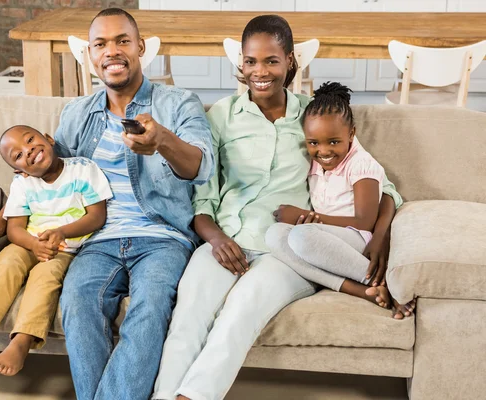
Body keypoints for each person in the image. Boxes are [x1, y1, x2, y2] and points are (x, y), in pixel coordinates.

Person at [0, 8, 213, 400]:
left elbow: (202, 166)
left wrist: (162, 140)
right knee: (77, 303)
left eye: (122, 41)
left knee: (150, 307)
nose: (112, 51)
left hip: (163, 236)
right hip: (95, 239)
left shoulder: (178, 103)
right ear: (90, 56)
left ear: (140, 47)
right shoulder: (77, 114)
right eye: (101, 44)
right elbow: (46, 177)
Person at [153, 15, 407, 400]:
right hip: (226, 240)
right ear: (241, 63)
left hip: (285, 250)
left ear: (290, 61)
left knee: (241, 312)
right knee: (186, 316)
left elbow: (382, 187)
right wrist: (217, 239)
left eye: (271, 60)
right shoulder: (220, 116)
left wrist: (381, 237)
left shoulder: (317, 118)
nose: (260, 71)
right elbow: (202, 194)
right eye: (251, 61)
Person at [0, 125, 111, 377]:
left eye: (30, 140)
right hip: (27, 243)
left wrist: (62, 232)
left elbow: (97, 217)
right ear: (19, 169)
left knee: (45, 276)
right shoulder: (23, 183)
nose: (28, 151)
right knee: (4, 266)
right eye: (18, 155)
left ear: (49, 140)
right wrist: (33, 244)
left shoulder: (83, 169)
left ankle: (21, 342)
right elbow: (14, 229)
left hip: (63, 247)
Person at [268, 81, 416, 313]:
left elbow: (364, 222)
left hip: (356, 239)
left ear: (351, 134)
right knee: (274, 235)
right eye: (314, 143)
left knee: (301, 236)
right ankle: (362, 291)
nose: (324, 151)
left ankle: (380, 283)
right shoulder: (314, 164)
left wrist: (308, 216)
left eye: (334, 142)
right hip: (327, 240)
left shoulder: (360, 164)